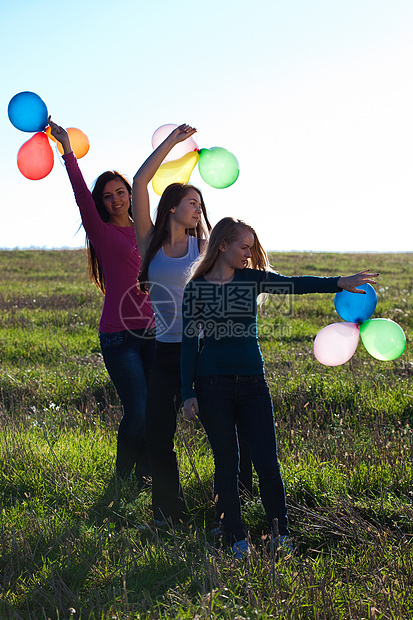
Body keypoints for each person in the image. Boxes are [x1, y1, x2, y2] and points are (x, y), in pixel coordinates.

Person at [181, 217, 379, 557]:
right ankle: (235, 538)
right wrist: (187, 391)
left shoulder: (251, 279)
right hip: (212, 384)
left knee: (267, 462)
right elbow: (187, 344)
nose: (248, 254)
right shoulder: (196, 289)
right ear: (223, 245)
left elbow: (294, 283)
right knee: (227, 463)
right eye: (243, 247)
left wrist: (338, 283)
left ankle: (280, 533)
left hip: (253, 383)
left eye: (250, 248)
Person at [48, 117, 156, 487]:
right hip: (118, 336)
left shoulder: (149, 231)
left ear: (130, 192)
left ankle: (144, 476)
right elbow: (80, 192)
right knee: (138, 409)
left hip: (153, 333)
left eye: (119, 192)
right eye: (107, 195)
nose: (114, 199)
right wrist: (66, 150)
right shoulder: (102, 232)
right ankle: (123, 479)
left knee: (154, 410)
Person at [132, 124, 215, 523]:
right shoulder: (150, 242)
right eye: (191, 201)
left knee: (222, 433)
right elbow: (139, 180)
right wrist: (174, 142)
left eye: (200, 203)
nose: (198, 208)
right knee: (157, 434)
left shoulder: (206, 247)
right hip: (166, 351)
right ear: (171, 207)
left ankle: (228, 509)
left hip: (203, 349)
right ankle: (168, 513)